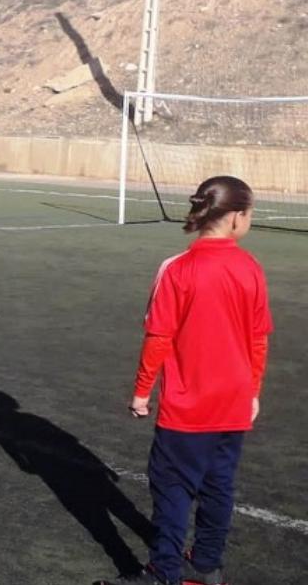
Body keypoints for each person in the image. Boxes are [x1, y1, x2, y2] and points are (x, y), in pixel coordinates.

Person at [98, 176, 271, 585]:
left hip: (187, 407)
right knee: (218, 486)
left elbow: (159, 337)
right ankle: (206, 565)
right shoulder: (250, 267)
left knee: (172, 488)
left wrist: (142, 392)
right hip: (233, 403)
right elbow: (258, 338)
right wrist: (253, 391)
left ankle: (164, 572)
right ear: (235, 218)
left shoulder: (178, 269)